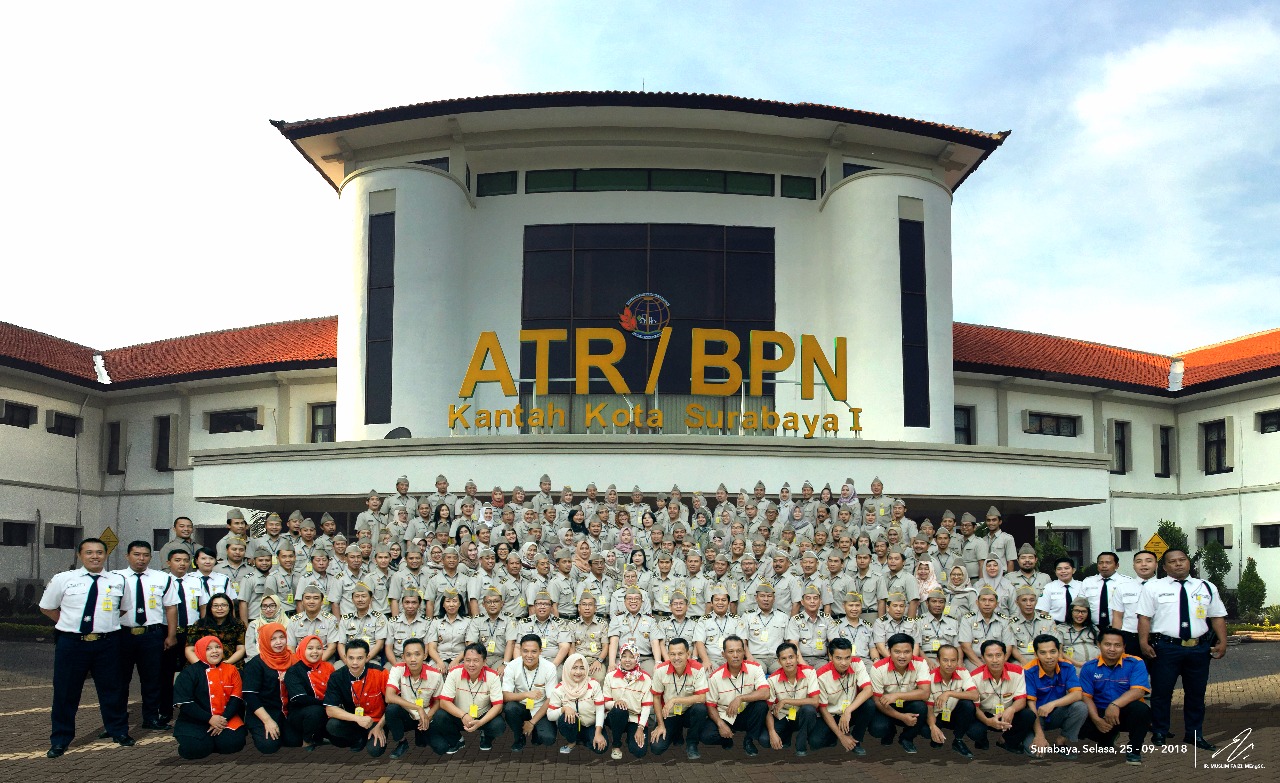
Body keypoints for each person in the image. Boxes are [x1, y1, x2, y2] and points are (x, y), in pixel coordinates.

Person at [39, 538, 133, 758]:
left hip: (107, 643)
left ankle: (118, 731)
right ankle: (60, 740)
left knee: (113, 690)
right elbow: (47, 607)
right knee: (65, 692)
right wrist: (70, 624)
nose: (95, 556)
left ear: (105, 555)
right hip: (72, 644)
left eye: (99, 552)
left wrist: (102, 624)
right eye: (89, 552)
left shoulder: (117, 580)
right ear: (80, 555)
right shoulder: (64, 579)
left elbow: (123, 609)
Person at [1137, 547, 1226, 750]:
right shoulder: (1153, 587)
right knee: (1162, 692)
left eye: (1182, 559)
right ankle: (1160, 731)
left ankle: (1194, 734)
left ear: (1189, 562)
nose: (1178, 564)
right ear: (1165, 566)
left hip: (1198, 648)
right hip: (1166, 648)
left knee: (1196, 693)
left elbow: (1217, 616)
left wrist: (1222, 641)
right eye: (1173, 561)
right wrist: (1144, 642)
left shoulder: (1205, 586)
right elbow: (1144, 617)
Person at [115, 540, 178, 731]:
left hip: (152, 635)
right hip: (123, 635)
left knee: (152, 679)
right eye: (136, 554)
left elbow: (171, 608)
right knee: (119, 680)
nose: (141, 559)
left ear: (150, 557)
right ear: (127, 556)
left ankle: (150, 717)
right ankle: (117, 721)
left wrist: (171, 635)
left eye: (145, 555)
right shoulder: (116, 578)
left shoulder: (162, 578)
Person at [1080, 628, 1151, 765]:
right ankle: (1105, 738)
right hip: (1099, 712)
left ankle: (1134, 751)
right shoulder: (1089, 667)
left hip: (1125, 712)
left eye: (1117, 645)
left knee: (1142, 710)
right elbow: (1086, 697)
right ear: (1099, 645)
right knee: (1079, 715)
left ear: (1124, 647)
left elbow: (1139, 691)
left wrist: (1115, 705)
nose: (1112, 649)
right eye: (1107, 644)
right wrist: (1096, 719)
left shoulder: (1135, 663)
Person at [172, 635, 247, 759]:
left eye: (218, 647)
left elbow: (236, 698)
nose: (215, 651)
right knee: (197, 750)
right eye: (209, 648)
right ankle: (203, 743)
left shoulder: (232, 670)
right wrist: (210, 719)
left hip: (225, 719)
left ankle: (213, 741)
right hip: (195, 721)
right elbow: (185, 703)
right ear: (200, 651)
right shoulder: (189, 673)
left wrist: (222, 720)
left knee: (232, 745)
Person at [432, 642, 506, 754]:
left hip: (482, 716)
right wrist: (463, 715)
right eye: (467, 660)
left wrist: (480, 722)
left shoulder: (493, 676)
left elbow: (498, 706)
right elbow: (444, 702)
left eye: (476, 660)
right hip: (459, 715)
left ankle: (486, 736)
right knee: (439, 716)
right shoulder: (454, 673)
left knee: (498, 725)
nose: (471, 664)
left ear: (484, 661)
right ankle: (457, 740)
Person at [701, 635, 768, 756]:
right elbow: (710, 706)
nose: (735, 655)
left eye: (739, 651)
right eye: (731, 652)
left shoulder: (755, 668)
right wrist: (721, 724)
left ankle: (749, 740)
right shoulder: (715, 677)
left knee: (761, 705)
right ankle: (726, 739)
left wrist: (741, 698)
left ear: (744, 652)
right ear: (724, 654)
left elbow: (765, 692)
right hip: (725, 715)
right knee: (706, 736)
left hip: (746, 713)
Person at [1023, 634, 1087, 758]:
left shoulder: (1067, 667)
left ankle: (1061, 742)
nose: (1049, 657)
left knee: (1080, 707)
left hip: (1056, 712)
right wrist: (1040, 736)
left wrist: (1052, 704)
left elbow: (1077, 694)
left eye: (1053, 652)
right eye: (1043, 653)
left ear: (1059, 652)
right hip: (1036, 716)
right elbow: (1030, 705)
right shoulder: (1028, 671)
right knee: (1035, 753)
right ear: (1036, 654)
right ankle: (1029, 737)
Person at [240, 622, 300, 753]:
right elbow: (250, 696)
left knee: (295, 742)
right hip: (264, 713)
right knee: (268, 747)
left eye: (281, 637)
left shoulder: (294, 660)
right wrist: (268, 721)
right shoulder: (255, 664)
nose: (279, 642)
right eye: (272, 639)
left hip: (287, 712)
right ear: (265, 640)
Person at [966, 640, 1033, 754]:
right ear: (982, 657)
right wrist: (988, 721)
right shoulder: (974, 677)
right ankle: (982, 740)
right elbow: (975, 707)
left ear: (1005, 655)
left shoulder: (1017, 671)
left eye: (998, 655)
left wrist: (1011, 709)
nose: (995, 660)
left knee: (1028, 715)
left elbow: (1021, 700)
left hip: (1008, 714)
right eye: (990, 656)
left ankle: (1006, 740)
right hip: (985, 714)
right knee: (974, 731)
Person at [866, 633, 931, 753]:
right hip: (886, 705)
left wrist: (896, 695)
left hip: (908, 703)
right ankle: (890, 731)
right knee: (878, 729)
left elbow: (925, 693)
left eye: (907, 652)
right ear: (889, 651)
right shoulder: (878, 668)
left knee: (921, 707)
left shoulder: (921, 663)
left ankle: (907, 738)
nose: (902, 656)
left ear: (912, 651)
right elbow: (877, 701)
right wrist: (901, 717)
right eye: (897, 652)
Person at [323, 638, 390, 755]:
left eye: (360, 658)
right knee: (332, 726)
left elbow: (392, 703)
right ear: (345, 657)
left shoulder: (381, 673)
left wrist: (379, 726)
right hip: (353, 720)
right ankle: (358, 739)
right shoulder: (336, 677)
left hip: (376, 721)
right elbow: (330, 710)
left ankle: (376, 734)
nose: (355, 663)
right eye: (351, 658)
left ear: (367, 657)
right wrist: (357, 718)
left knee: (375, 751)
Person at [810, 636, 874, 756]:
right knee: (815, 742)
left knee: (869, 704)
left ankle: (856, 740)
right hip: (831, 714)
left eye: (847, 658)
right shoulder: (821, 675)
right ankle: (838, 735)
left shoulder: (857, 663)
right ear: (830, 657)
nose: (844, 663)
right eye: (839, 658)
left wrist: (848, 711)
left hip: (850, 712)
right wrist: (841, 737)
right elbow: (823, 709)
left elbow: (868, 690)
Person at [383, 637, 444, 759]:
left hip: (426, 714)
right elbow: (389, 697)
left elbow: (438, 701)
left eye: (417, 654)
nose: (413, 659)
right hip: (407, 713)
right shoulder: (397, 669)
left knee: (441, 748)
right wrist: (417, 708)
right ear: (403, 657)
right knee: (391, 710)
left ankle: (420, 733)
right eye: (408, 655)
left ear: (425, 655)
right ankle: (402, 742)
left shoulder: (436, 675)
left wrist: (428, 716)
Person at [649, 637, 710, 759]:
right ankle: (676, 732)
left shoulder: (697, 668)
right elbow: (656, 698)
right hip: (669, 714)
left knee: (700, 709)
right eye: (672, 654)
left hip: (688, 712)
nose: (676, 658)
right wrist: (660, 724)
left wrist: (675, 700)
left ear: (688, 654)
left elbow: (702, 697)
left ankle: (692, 743)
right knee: (656, 748)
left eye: (680, 654)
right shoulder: (660, 670)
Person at [502, 633, 559, 750]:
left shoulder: (549, 667)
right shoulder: (512, 666)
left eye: (534, 651)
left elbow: (550, 699)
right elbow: (505, 696)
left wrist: (532, 723)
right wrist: (525, 694)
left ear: (540, 651)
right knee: (510, 708)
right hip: (521, 707)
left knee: (548, 739)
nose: (529, 655)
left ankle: (535, 731)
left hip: (541, 708)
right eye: (525, 651)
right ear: (520, 651)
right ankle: (519, 737)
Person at [764, 642, 821, 756]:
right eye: (784, 659)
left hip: (801, 715)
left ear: (797, 657)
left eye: (791, 657)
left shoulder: (809, 672)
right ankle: (787, 736)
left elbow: (815, 701)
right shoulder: (772, 679)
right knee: (765, 740)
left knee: (809, 710)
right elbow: (768, 709)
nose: (788, 662)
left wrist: (785, 701)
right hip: (783, 716)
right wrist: (772, 732)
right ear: (779, 662)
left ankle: (801, 744)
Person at [548, 652, 608, 755]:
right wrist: (564, 709)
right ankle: (572, 741)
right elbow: (550, 715)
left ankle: (584, 739)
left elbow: (600, 710)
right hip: (573, 725)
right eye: (574, 668)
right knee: (564, 719)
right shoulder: (559, 689)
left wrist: (598, 733)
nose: (578, 672)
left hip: (590, 724)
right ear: (567, 669)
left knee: (600, 749)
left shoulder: (594, 685)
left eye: (582, 668)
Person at [925, 643, 978, 758]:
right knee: (926, 731)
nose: (949, 664)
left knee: (968, 705)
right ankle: (936, 734)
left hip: (954, 714)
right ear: (938, 660)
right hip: (937, 715)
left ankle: (958, 740)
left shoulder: (963, 672)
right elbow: (928, 707)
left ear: (957, 660)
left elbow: (974, 695)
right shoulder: (929, 677)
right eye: (945, 660)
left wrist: (948, 693)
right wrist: (932, 727)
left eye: (953, 660)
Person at [603, 641, 654, 759]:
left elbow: (646, 707)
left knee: (639, 752)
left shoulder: (645, 678)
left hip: (635, 718)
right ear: (620, 658)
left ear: (637, 658)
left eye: (631, 657)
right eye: (624, 656)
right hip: (616, 716)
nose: (627, 660)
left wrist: (640, 728)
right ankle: (616, 745)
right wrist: (615, 703)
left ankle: (630, 737)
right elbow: (605, 702)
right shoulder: (611, 676)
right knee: (619, 710)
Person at [284, 635, 335, 751]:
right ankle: (307, 741)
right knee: (315, 712)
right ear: (302, 649)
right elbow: (300, 698)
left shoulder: (329, 667)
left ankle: (319, 735)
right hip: (302, 714)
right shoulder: (294, 671)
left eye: (318, 648)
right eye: (310, 648)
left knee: (340, 740)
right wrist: (325, 704)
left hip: (328, 710)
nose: (315, 652)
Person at [1116, 549, 1160, 658]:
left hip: (1158, 637)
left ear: (1156, 565)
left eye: (1148, 561)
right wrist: (1116, 641)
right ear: (1133, 565)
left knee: (1158, 673)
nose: (1143, 564)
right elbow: (1117, 616)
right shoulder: (1123, 587)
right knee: (1129, 673)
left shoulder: (1165, 587)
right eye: (1139, 561)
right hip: (1130, 638)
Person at [185, 593, 246, 666]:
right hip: (202, 664)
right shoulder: (199, 625)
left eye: (223, 605)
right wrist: (201, 666)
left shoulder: (238, 624)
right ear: (210, 608)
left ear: (229, 607)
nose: (220, 608)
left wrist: (227, 663)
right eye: (215, 606)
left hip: (231, 663)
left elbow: (241, 648)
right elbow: (189, 650)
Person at [1057, 597, 1101, 670]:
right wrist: (1077, 663)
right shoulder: (1061, 629)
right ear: (1071, 611)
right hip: (1073, 668)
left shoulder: (1094, 629)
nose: (1080, 614)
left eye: (1084, 612)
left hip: (1094, 668)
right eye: (1077, 611)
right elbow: (1059, 651)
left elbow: (1101, 648)